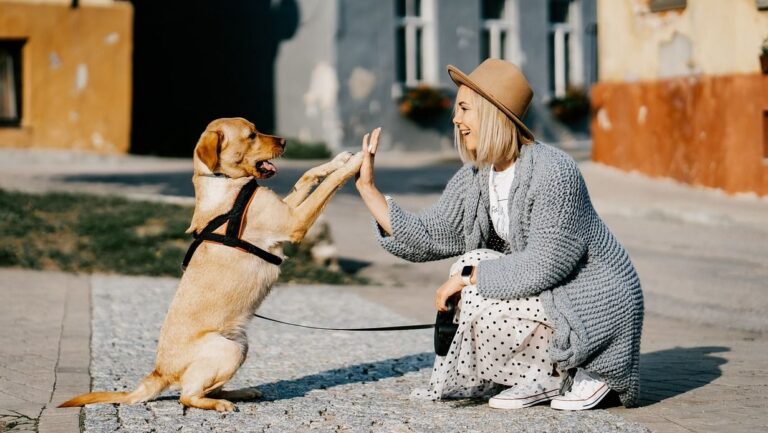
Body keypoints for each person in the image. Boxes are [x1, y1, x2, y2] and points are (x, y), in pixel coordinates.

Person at [354, 59, 643, 410]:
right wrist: (369, 190)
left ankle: (584, 368)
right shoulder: (478, 175)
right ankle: (539, 376)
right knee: (471, 263)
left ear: (492, 113)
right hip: (551, 294)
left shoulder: (554, 171)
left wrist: (467, 279)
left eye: (464, 109)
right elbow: (430, 234)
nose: (455, 119)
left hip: (594, 301)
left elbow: (545, 265)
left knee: (472, 277)